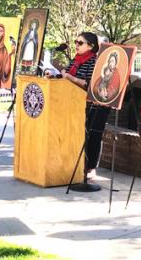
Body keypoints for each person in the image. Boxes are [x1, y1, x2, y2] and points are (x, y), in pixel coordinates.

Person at [46, 32, 110, 179]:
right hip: (74, 105)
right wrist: (54, 76)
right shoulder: (76, 60)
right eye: (76, 42)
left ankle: (90, 167)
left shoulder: (94, 61)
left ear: (91, 46)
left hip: (92, 106)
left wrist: (70, 77)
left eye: (80, 43)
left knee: (92, 136)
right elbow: (66, 75)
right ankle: (75, 165)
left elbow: (89, 84)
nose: (76, 45)